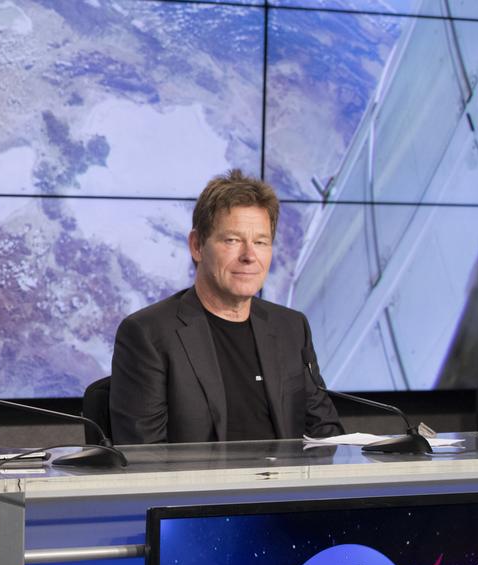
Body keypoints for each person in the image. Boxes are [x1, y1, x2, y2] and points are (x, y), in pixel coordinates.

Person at [110, 169, 342, 444]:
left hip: (285, 486)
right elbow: (146, 457)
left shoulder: (291, 327)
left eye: (260, 242)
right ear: (197, 246)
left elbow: (326, 435)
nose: (249, 256)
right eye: (232, 240)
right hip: (202, 488)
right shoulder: (149, 334)